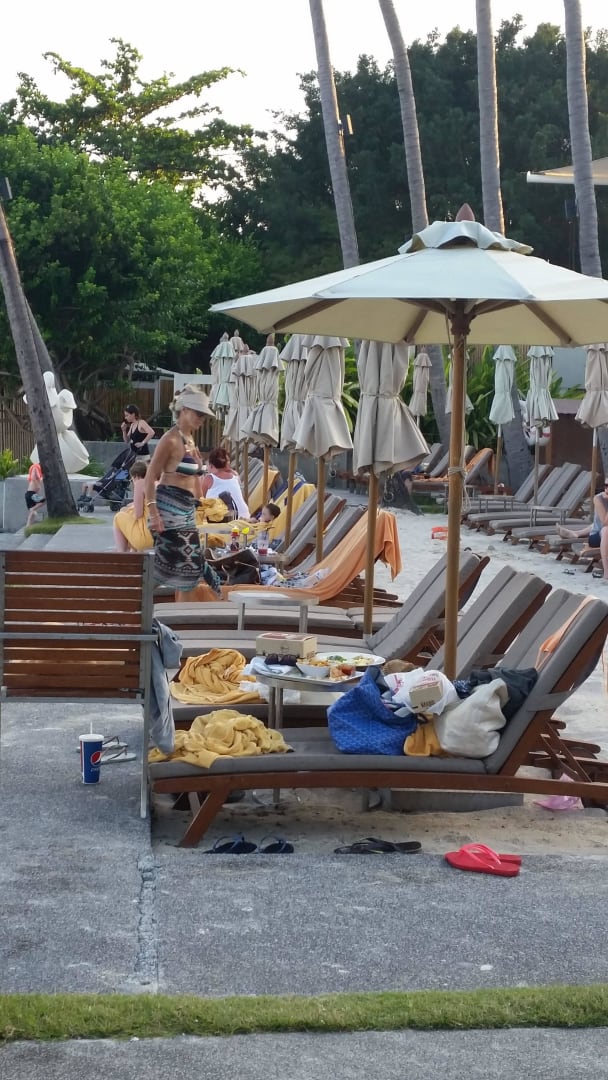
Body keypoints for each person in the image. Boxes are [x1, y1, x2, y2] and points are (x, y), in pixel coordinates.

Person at [144, 387, 222, 594]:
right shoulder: (170, 439)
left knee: (178, 563)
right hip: (169, 508)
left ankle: (136, 599)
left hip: (186, 509)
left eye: (204, 416)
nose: (202, 419)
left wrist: (199, 469)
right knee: (188, 563)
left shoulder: (189, 439)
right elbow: (150, 476)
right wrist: (154, 514)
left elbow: (191, 477)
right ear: (185, 410)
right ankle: (134, 599)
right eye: (199, 414)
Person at [556, 481, 608, 580]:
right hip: (598, 537)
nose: (607, 488)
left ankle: (576, 533)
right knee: (606, 530)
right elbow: (605, 522)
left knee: (596, 525)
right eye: (606, 485)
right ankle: (606, 571)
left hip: (599, 528)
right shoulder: (598, 499)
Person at [113, 461, 154, 552]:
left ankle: (122, 553)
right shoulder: (155, 484)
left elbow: (138, 514)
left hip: (146, 536)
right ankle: (130, 550)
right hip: (161, 536)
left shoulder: (140, 483)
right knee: (128, 512)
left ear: (135, 476)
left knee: (118, 517)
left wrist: (128, 512)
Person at [201, 446, 250, 519]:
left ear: (211, 465)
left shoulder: (209, 478)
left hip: (223, 519)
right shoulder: (235, 475)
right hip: (244, 516)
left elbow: (201, 499)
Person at [25, 462, 45, 526]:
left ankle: (28, 527)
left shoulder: (39, 472)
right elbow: (33, 477)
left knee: (32, 514)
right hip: (31, 494)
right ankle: (33, 509)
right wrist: (38, 486)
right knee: (44, 501)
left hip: (30, 494)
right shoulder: (35, 467)